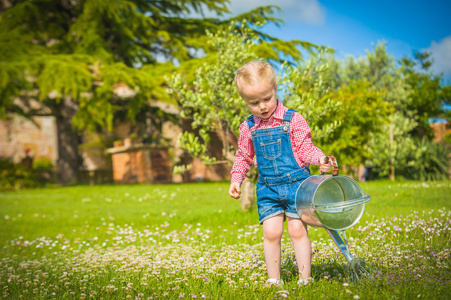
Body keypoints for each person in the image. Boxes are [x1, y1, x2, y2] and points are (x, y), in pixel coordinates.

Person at [228, 60, 332, 287]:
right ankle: (274, 279)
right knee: (271, 232)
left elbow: (305, 149)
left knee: (296, 229)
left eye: (266, 98)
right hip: (268, 188)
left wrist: (321, 159)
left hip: (297, 185)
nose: (262, 106)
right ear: (245, 101)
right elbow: (243, 156)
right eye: (254, 102)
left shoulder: (294, 120)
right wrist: (237, 179)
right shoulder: (248, 127)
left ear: (275, 88)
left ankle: (305, 278)